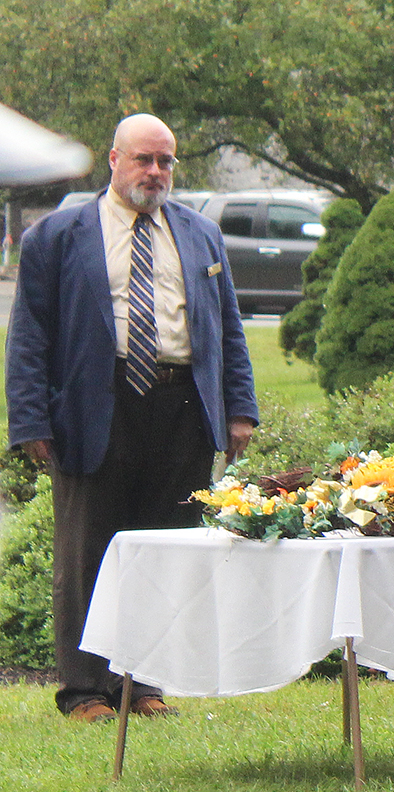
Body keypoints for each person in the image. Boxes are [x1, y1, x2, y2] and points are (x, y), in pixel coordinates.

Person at [7, 114, 256, 722]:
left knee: (165, 551)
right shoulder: (59, 236)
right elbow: (29, 336)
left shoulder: (200, 234)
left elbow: (227, 327)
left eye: (165, 161)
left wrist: (240, 408)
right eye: (143, 159)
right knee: (88, 550)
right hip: (97, 407)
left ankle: (143, 684)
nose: (155, 172)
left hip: (182, 408)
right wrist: (31, 421)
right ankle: (85, 690)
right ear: (113, 160)